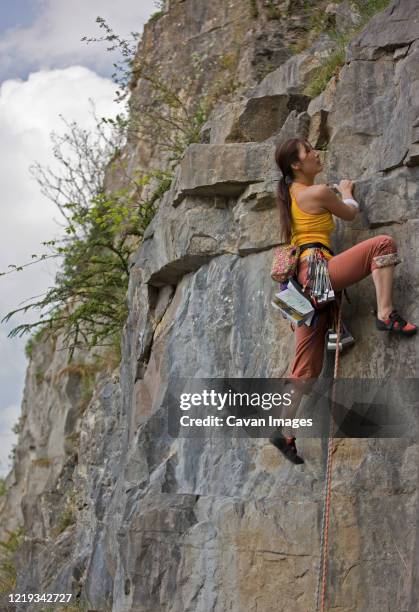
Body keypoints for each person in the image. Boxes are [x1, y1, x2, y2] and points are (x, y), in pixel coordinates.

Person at [269, 137, 417, 464]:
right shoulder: (317, 192)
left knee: (306, 367)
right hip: (318, 272)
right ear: (297, 164)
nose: (316, 153)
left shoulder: (290, 195)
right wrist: (347, 192)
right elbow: (349, 214)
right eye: (309, 151)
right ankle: (386, 313)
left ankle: (284, 429)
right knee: (382, 245)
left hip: (299, 285)